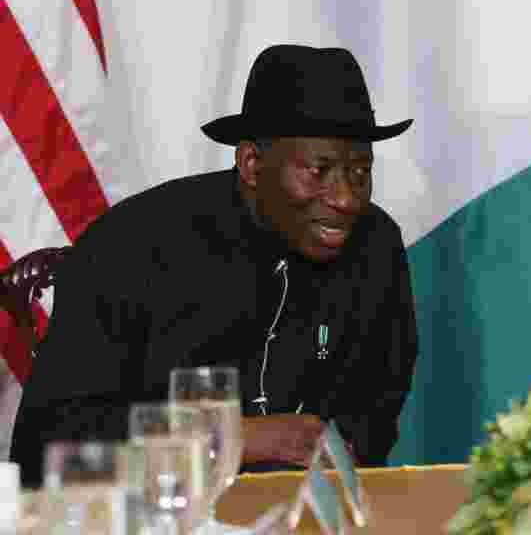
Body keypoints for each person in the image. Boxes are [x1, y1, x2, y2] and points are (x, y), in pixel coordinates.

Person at [11, 45, 419, 485]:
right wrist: (231, 438)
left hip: (309, 509)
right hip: (152, 510)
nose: (346, 199)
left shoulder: (375, 246)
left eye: (359, 173)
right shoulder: (133, 245)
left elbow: (373, 419)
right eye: (319, 171)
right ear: (251, 164)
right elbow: (48, 442)